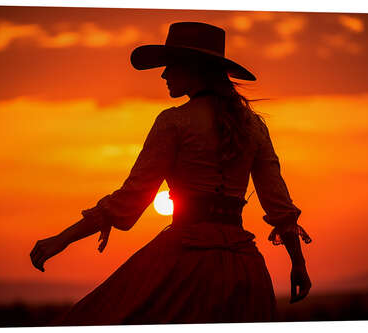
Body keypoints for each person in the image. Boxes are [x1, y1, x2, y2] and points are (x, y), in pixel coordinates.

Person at [30, 21, 312, 325]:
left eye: (171, 66)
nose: (164, 74)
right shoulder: (254, 127)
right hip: (244, 270)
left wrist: (63, 238)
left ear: (194, 68)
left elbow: (130, 198)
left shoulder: (173, 122)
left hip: (186, 264)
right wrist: (298, 264)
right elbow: (279, 205)